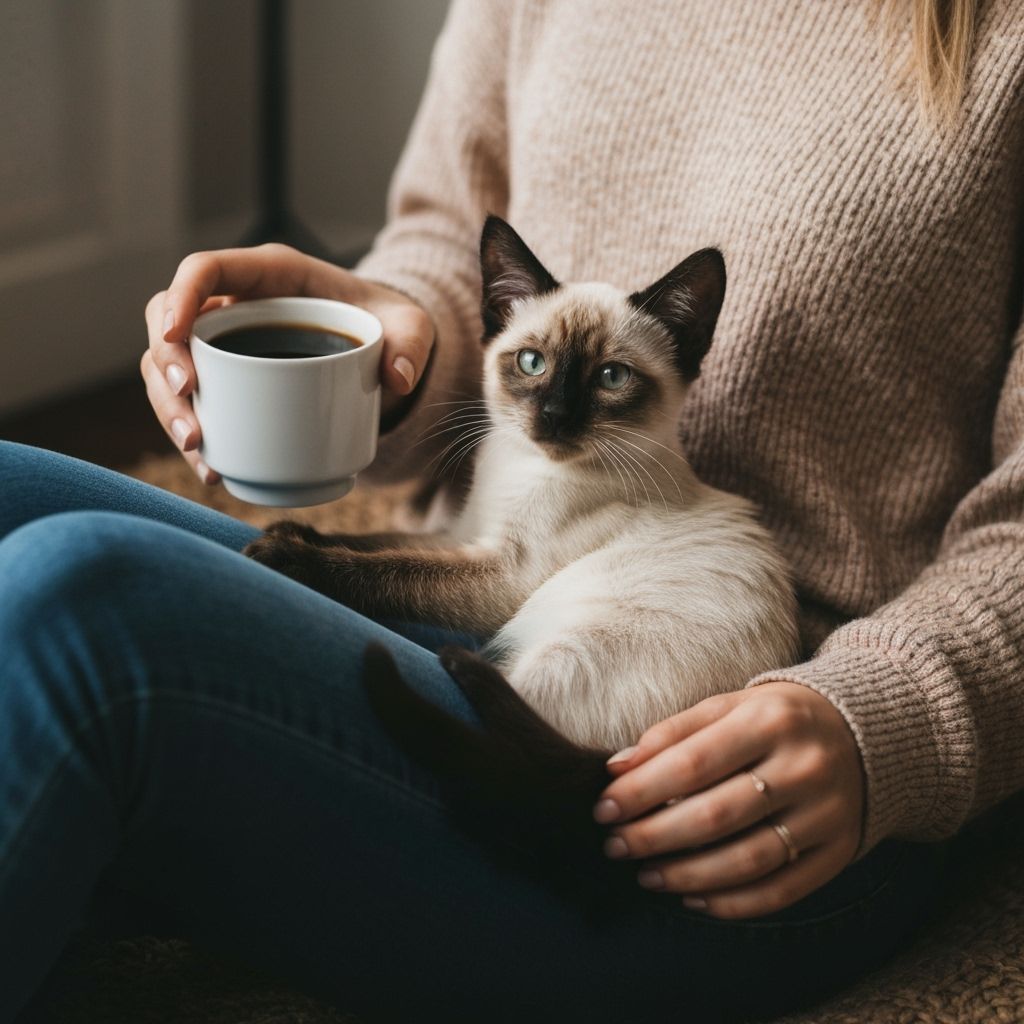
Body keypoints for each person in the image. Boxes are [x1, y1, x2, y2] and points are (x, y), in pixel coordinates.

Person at [2, 1, 1021, 1020]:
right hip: (513, 631)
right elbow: (459, 240)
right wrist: (386, 343)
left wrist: (890, 720)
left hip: (738, 786)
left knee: (80, 600)